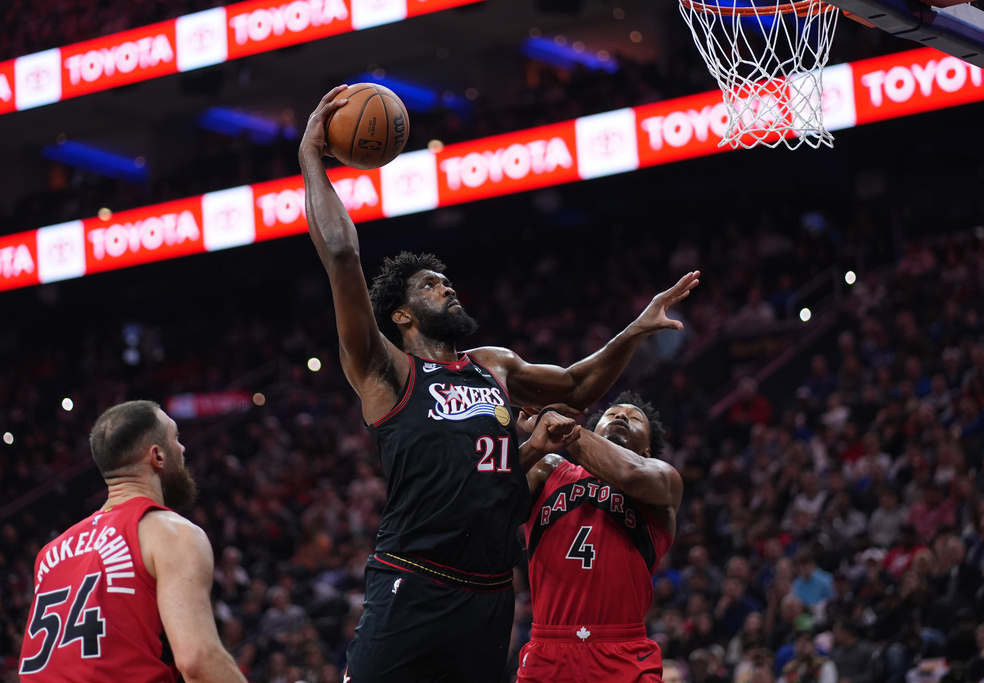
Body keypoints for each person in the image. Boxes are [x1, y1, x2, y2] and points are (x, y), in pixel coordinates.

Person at [298, 87, 701, 682]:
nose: (448, 287)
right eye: (431, 285)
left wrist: (635, 330)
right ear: (402, 316)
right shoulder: (386, 369)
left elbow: (578, 385)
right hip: (415, 577)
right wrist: (311, 157)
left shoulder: (495, 365)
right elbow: (341, 255)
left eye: (447, 280)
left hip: (489, 594)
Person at [18, 400, 246, 683]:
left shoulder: (49, 554)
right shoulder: (171, 533)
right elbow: (197, 660)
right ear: (157, 456)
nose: (183, 448)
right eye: (176, 437)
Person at [515, 392, 684, 682]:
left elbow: (629, 474)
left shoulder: (663, 479)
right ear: (592, 431)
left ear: (646, 450)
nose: (620, 416)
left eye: (633, 418)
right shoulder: (550, 467)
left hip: (623, 652)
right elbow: (491, 497)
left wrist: (555, 424)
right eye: (613, 413)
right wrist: (534, 442)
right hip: (549, 648)